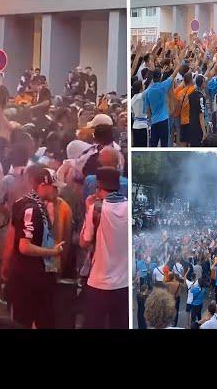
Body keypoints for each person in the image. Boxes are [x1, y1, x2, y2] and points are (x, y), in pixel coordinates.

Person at [6, 166, 64, 329]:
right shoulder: (31, 208)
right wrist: (52, 252)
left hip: (34, 274)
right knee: (28, 320)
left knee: (41, 319)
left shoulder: (32, 204)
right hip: (30, 276)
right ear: (43, 185)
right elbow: (24, 246)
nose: (56, 192)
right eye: (54, 188)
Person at [80, 167, 128, 329]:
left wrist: (88, 208)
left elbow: (84, 242)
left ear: (98, 187)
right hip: (123, 283)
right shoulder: (129, 207)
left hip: (99, 282)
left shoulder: (96, 209)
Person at [130, 80, 148, 147]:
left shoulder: (132, 99)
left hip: (135, 125)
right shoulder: (142, 96)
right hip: (143, 125)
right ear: (140, 88)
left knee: (137, 145)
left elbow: (133, 114)